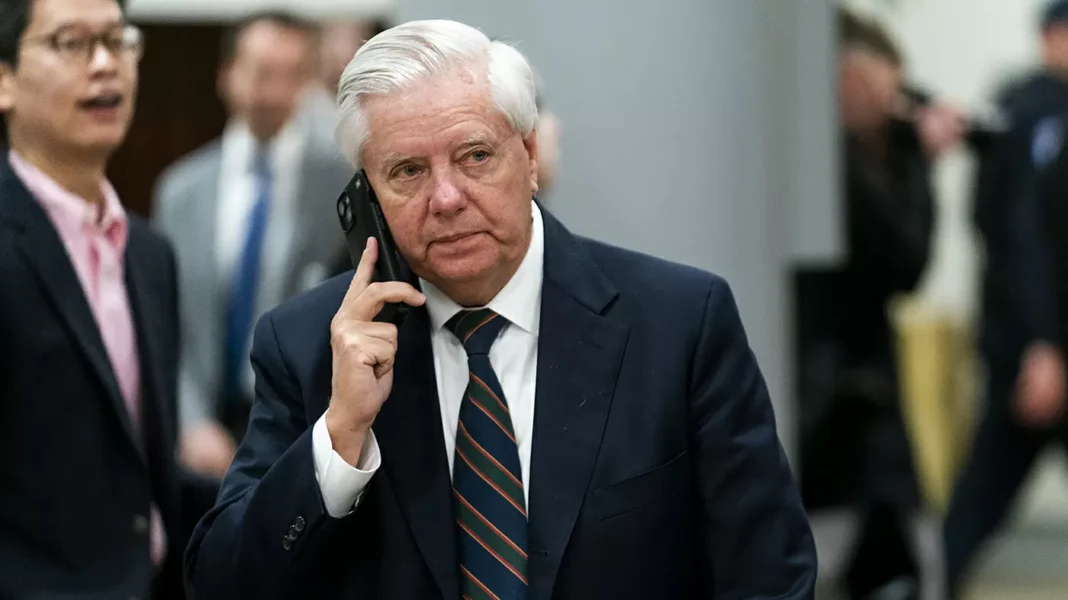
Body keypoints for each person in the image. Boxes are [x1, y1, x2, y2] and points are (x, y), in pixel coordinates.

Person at [185, 19, 817, 600]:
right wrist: (340, 434)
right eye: (407, 171)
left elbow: (770, 578)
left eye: (476, 156)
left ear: (531, 155)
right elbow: (220, 583)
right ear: (367, 197)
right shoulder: (309, 345)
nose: (447, 198)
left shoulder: (678, 324)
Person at [0, 0, 217, 597]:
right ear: (5, 80)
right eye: (71, 43)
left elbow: (141, 468)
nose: (105, 64)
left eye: (118, 40)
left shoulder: (149, 253)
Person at [796, 10, 961, 600]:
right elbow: (905, 261)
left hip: (840, 399)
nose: (891, 108)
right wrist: (919, 162)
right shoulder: (837, 163)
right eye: (881, 90)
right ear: (847, 78)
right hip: (843, 404)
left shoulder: (829, 157)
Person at [153, 11, 352, 478]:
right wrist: (189, 420)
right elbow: (164, 318)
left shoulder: (339, 185)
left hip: (302, 424)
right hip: (203, 429)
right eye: (262, 72)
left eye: (292, 75)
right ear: (228, 74)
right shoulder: (181, 190)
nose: (274, 92)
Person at [944, 2, 1068, 596]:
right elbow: (1017, 238)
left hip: (1042, 341)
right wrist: (1040, 343)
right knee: (984, 489)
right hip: (1033, 345)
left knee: (984, 490)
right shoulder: (1026, 112)